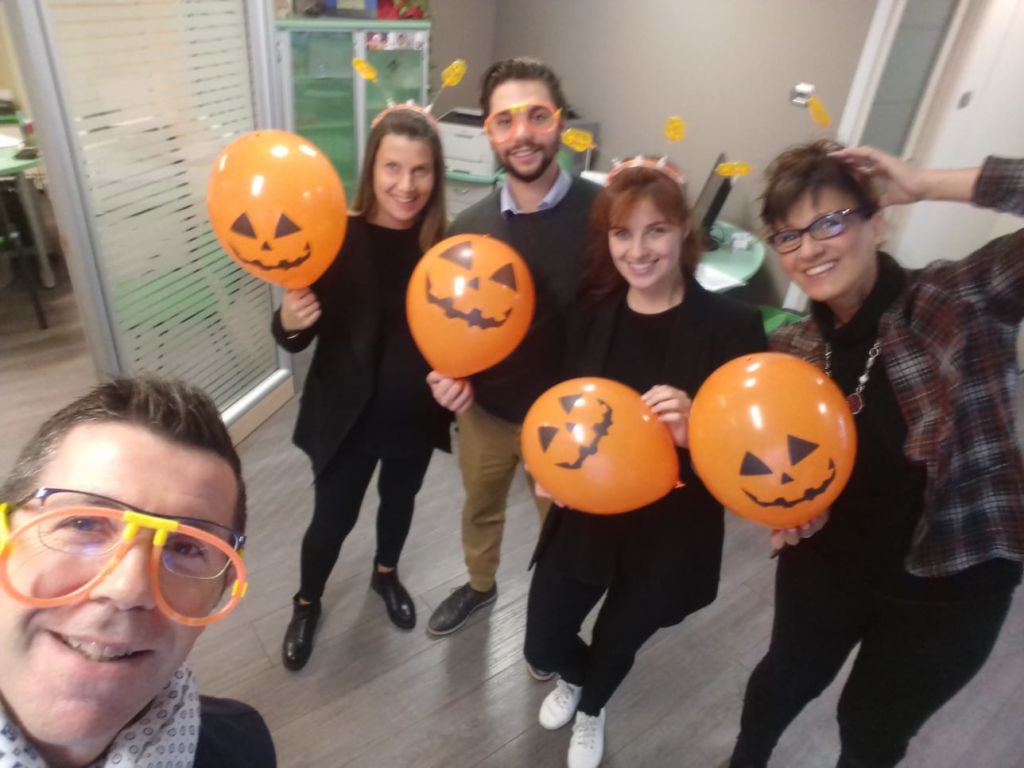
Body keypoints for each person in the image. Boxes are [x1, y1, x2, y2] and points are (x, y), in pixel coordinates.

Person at [728, 142, 1024, 768]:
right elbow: (771, 459)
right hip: (829, 563)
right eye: (788, 236)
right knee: (782, 681)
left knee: (868, 731)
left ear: (878, 222)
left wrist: (928, 182)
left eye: (829, 222)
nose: (809, 249)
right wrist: (790, 510)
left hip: (951, 581)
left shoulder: (956, 301)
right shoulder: (795, 350)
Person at [523, 158, 766, 768]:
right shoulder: (589, 313)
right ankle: (576, 678)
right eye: (622, 233)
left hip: (671, 528)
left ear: (683, 230)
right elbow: (562, 409)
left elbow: (750, 455)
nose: (638, 251)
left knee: (619, 638)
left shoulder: (733, 327)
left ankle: (593, 706)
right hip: (589, 514)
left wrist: (698, 423)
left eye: (655, 230)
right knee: (544, 641)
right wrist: (549, 470)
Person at [0, 377, 275, 767]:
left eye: (185, 548)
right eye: (83, 523)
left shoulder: (245, 747)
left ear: (221, 590)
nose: (128, 589)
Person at [426, 58, 600, 644]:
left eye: (537, 116)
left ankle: (551, 621)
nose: (522, 133)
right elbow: (449, 320)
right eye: (505, 120)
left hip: (569, 421)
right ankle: (480, 584)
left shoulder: (606, 217)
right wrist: (447, 373)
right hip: (488, 412)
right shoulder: (467, 229)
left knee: (563, 528)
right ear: (489, 133)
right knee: (480, 505)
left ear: (561, 121)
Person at [273, 107, 451, 668]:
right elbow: (297, 333)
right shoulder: (333, 237)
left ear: (436, 175)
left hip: (413, 415)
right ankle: (307, 602)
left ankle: (385, 574)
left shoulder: (444, 247)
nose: (406, 185)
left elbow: (464, 332)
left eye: (420, 170)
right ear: (372, 168)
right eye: (393, 167)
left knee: (400, 501)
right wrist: (289, 322)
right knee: (332, 519)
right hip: (347, 417)